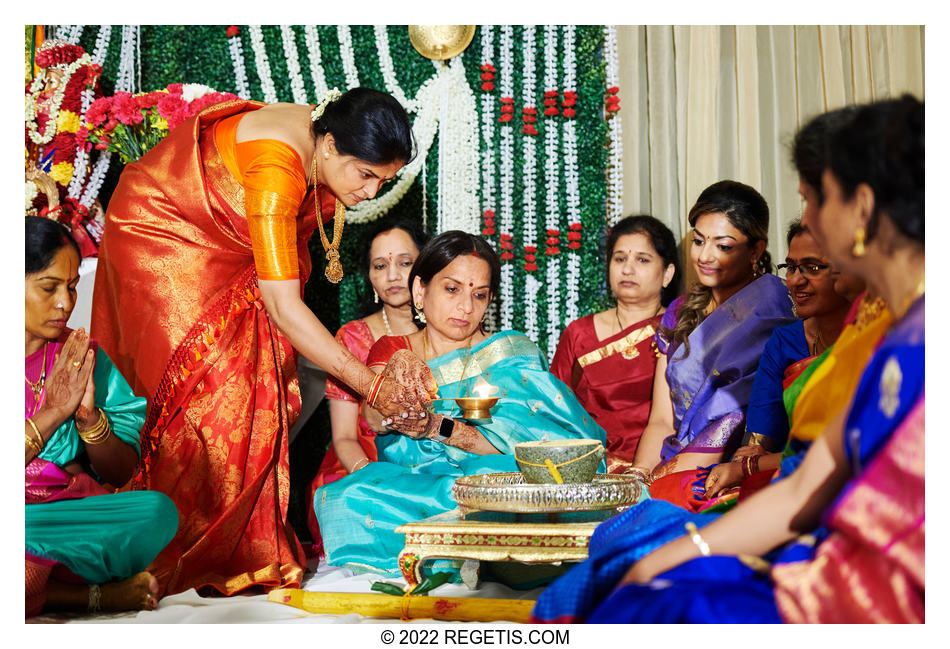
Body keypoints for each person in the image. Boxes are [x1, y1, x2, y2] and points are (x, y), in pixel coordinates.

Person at [536, 95, 924, 623]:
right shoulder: (894, 327)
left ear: (860, 207)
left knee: (655, 597)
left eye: (815, 200)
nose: (806, 219)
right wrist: (676, 554)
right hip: (812, 547)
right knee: (621, 572)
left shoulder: (902, 335)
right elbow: (808, 484)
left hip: (868, 592)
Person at [91, 88, 431, 596]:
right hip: (165, 235)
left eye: (384, 181)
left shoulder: (322, 135)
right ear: (331, 147)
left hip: (228, 248)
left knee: (260, 371)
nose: (371, 193)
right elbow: (284, 306)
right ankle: (185, 544)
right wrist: (367, 381)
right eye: (366, 175)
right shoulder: (277, 167)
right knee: (216, 384)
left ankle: (243, 545)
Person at [313, 231, 608, 577]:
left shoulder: (509, 353)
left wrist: (436, 427)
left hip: (489, 476)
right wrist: (393, 378)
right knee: (350, 496)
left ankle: (459, 547)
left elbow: (529, 447)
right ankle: (475, 548)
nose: (466, 307)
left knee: (495, 481)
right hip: (415, 484)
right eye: (452, 289)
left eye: (479, 294)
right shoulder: (393, 348)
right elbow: (374, 419)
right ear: (420, 291)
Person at [25, 217, 178, 617]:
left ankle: (34, 572)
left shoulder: (81, 357)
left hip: (61, 514)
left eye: (72, 287)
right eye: (49, 287)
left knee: (155, 513)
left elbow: (122, 471)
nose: (66, 302)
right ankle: (85, 594)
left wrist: (89, 421)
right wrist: (54, 412)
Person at [682, 221, 862, 508]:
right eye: (791, 267)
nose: (795, 281)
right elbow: (756, 443)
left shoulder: (872, 338)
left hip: (852, 481)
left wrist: (749, 467)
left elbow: (850, 447)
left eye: (812, 268)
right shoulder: (785, 342)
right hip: (786, 474)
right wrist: (746, 464)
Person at [628, 180, 796, 483]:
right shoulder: (680, 311)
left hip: (731, 472)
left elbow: (735, 419)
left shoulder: (775, 309)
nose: (705, 256)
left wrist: (661, 480)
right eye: (698, 241)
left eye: (723, 246)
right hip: (671, 460)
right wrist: (639, 474)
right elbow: (663, 420)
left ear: (756, 250)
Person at [305, 217, 429, 553]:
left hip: (432, 459)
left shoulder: (446, 331)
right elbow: (343, 436)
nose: (392, 275)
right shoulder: (353, 338)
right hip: (360, 462)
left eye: (404, 262)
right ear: (371, 278)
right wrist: (374, 479)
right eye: (380, 265)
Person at [550, 215, 679, 472]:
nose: (627, 269)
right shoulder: (579, 333)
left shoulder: (679, 329)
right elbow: (553, 410)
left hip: (660, 466)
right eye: (620, 258)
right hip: (585, 467)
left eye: (642, 259)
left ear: (667, 274)